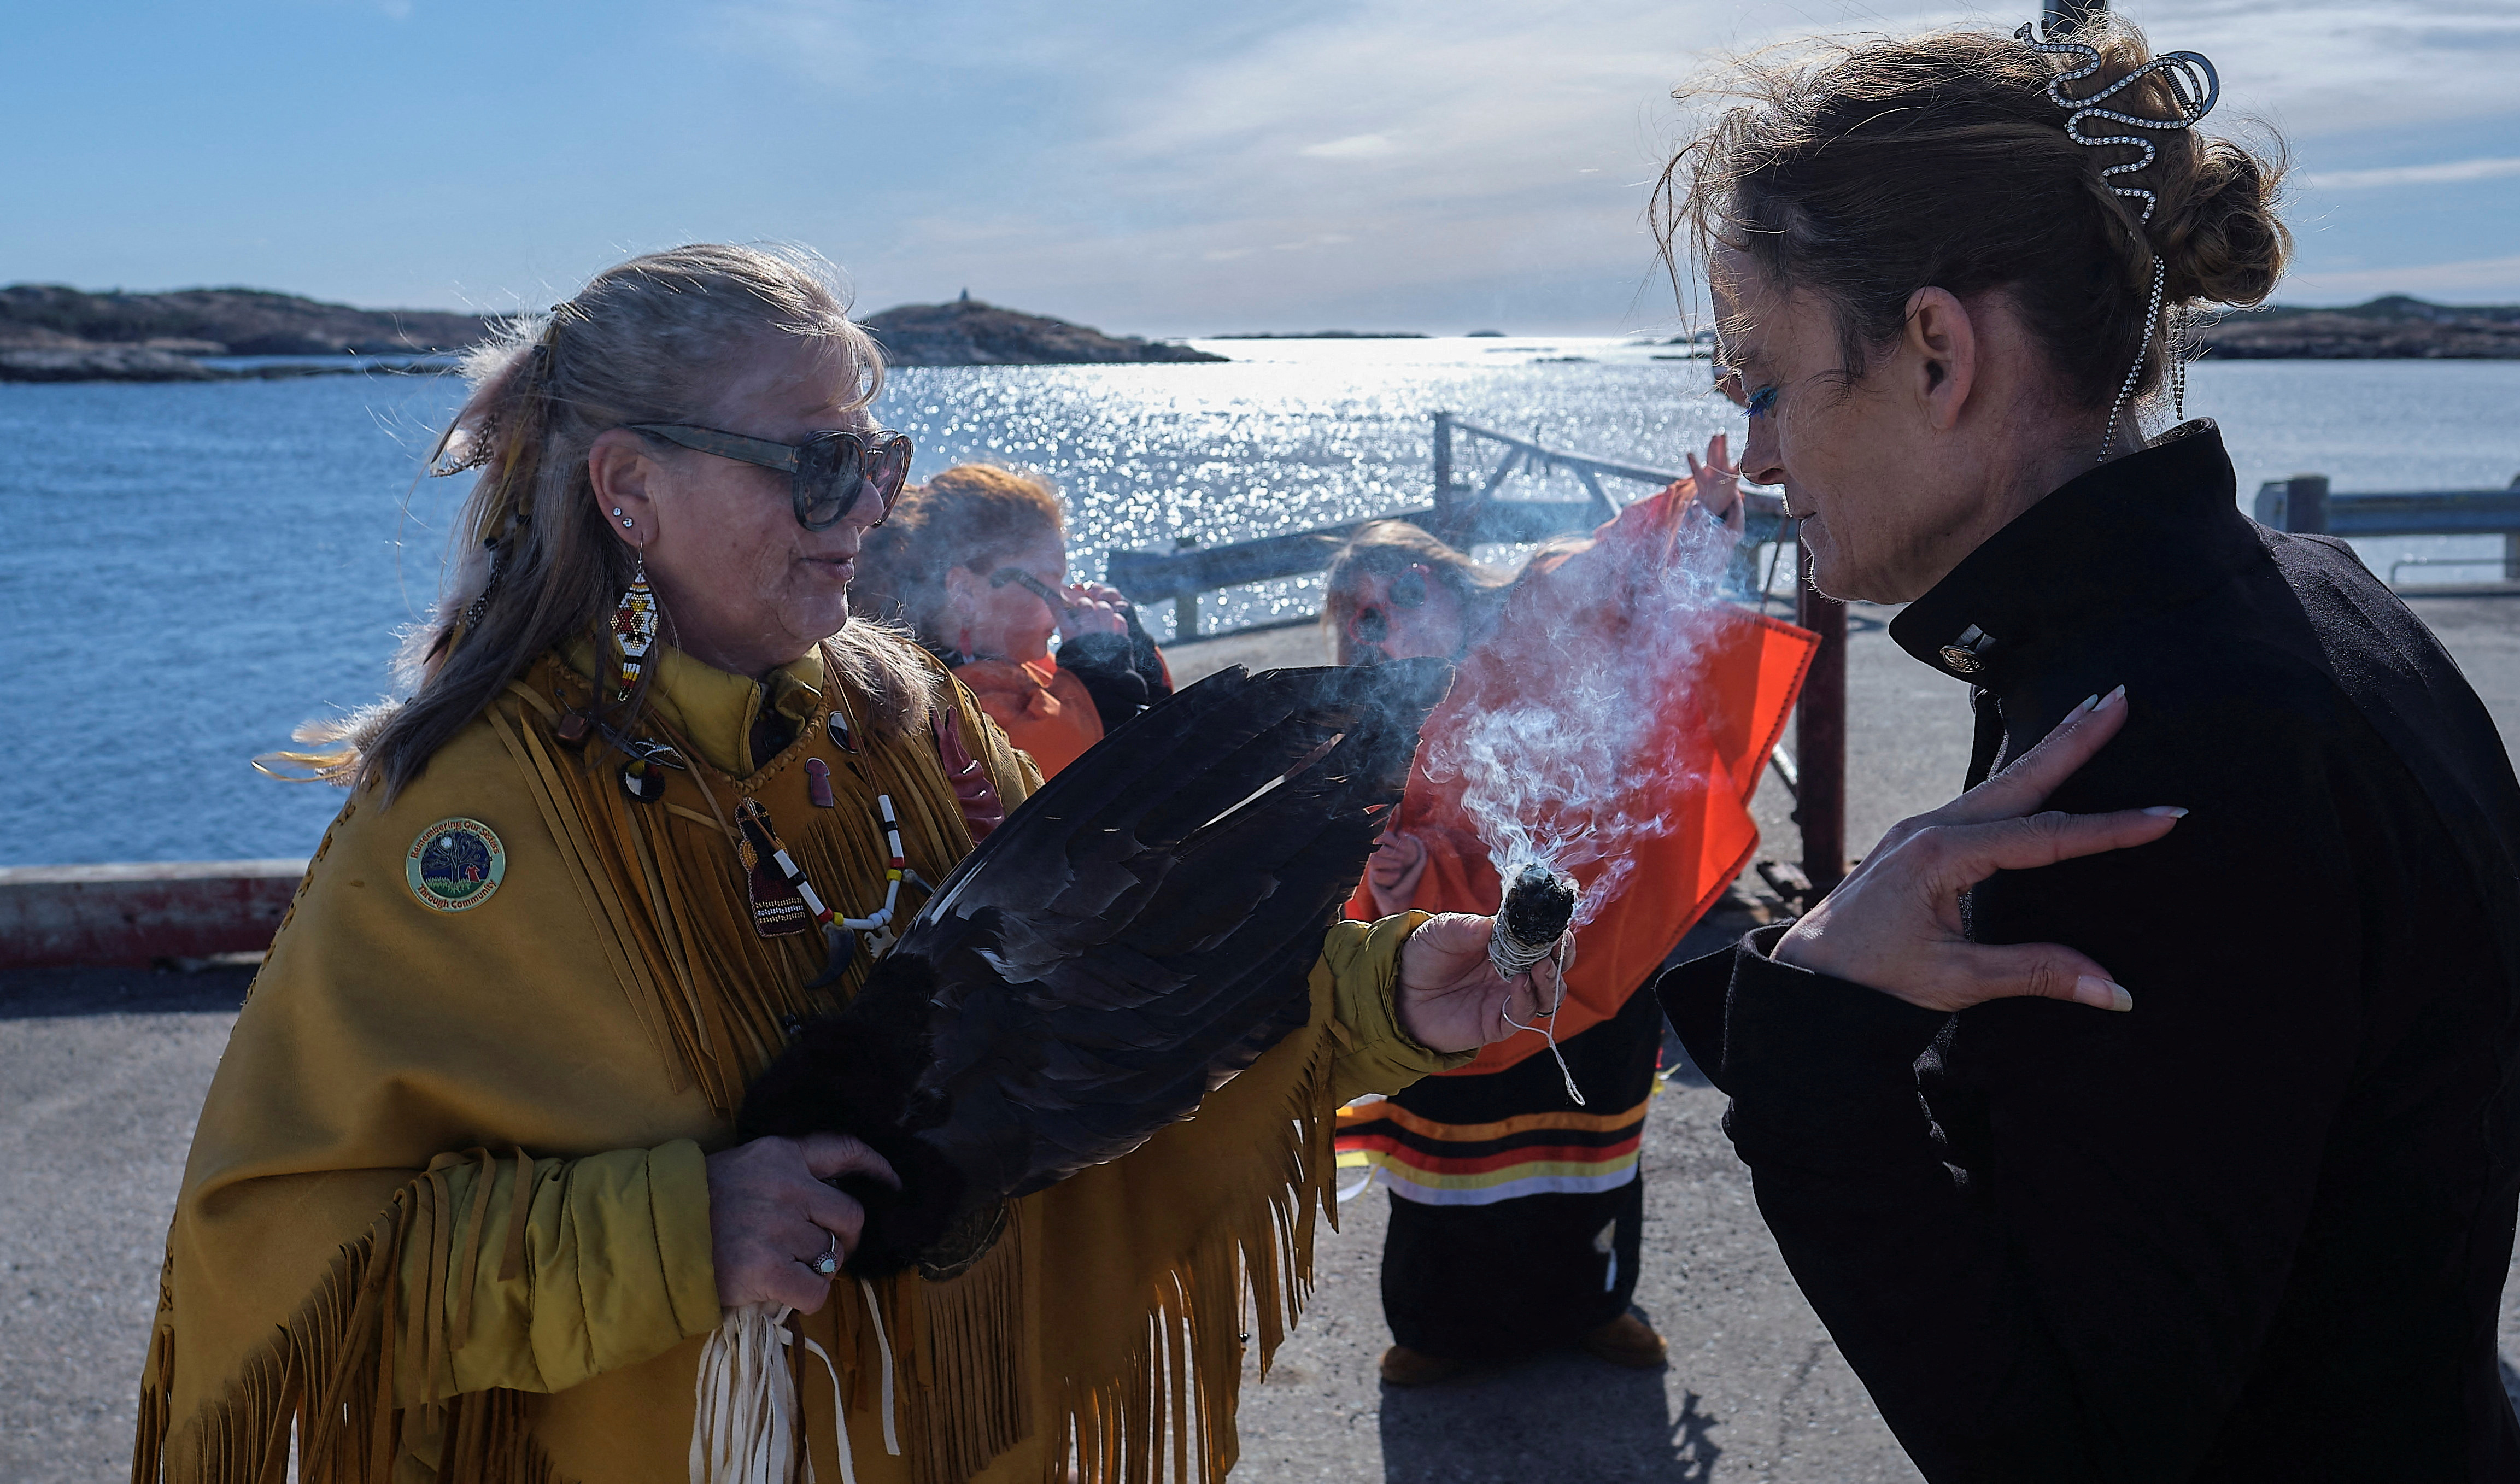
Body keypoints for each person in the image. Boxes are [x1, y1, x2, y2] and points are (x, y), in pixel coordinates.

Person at [132, 244, 1544, 1484]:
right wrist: (678, 1232)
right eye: (815, 462)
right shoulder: (471, 827)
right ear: (629, 488)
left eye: (878, 460)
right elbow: (278, 1259)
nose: (864, 510)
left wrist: (1386, 994)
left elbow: (1112, 992)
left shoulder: (904, 719)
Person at [1650, 22, 2520, 1479]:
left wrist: (1812, 1044)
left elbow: (2063, 1446)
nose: (1753, 456)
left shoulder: (2154, 747)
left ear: (1937, 349)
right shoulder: (2304, 605)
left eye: (1761, 380)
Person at [1326, 450, 1818, 1386]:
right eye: (1357, 627)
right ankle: (1436, 1328)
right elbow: (1379, 842)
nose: (1375, 636)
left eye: (1384, 606)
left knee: (1590, 1140)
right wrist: (1400, 871)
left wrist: (1703, 524)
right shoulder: (1371, 713)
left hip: (1595, 950)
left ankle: (1596, 1304)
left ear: (1429, 575)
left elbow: (1628, 586)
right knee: (1446, 1172)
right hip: (1458, 979)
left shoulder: (1533, 619)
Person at [853, 463, 1169, 777]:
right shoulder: (945, 713)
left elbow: (1166, 748)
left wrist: (1138, 661)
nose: (1064, 601)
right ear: (965, 593)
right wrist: (1102, 689)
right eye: (1047, 582)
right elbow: (1078, 781)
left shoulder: (1023, 669)